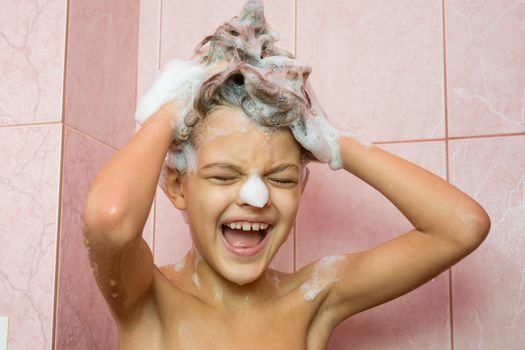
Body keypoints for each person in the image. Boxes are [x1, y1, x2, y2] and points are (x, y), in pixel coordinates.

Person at [82, 1, 490, 348]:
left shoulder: (311, 300)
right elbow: (110, 219)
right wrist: (175, 109)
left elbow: (462, 227)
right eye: (224, 177)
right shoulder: (150, 299)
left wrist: (334, 142)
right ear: (176, 186)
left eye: (280, 179)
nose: (257, 197)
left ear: (302, 185)